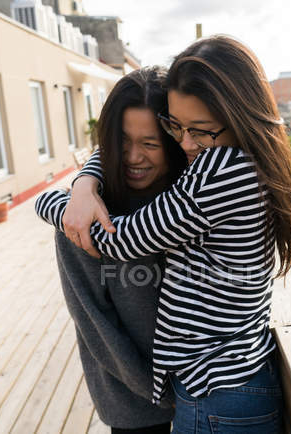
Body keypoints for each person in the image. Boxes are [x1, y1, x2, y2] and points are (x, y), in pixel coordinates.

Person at [46, 35, 291, 433]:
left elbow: (119, 238)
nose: (186, 142)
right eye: (177, 127)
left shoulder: (212, 172)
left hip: (211, 389)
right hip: (180, 393)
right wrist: (86, 181)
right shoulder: (242, 162)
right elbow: (95, 323)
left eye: (198, 131)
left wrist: (55, 204)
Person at [35, 66, 187, 434]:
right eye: (122, 142)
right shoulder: (82, 215)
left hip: (200, 392)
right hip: (131, 401)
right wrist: (162, 395)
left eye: (150, 143)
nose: (133, 157)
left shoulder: (192, 199)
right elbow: (94, 320)